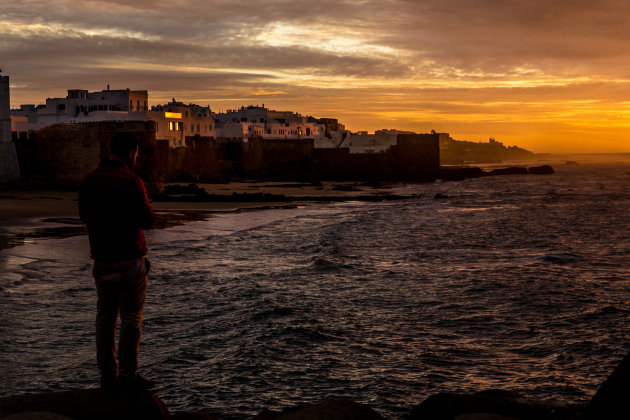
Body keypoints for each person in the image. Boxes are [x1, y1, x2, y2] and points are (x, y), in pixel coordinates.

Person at [78, 132, 156, 391]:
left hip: (101, 258)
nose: (137, 157)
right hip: (129, 258)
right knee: (132, 318)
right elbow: (148, 220)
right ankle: (128, 375)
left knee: (105, 317)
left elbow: (84, 215)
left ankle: (107, 375)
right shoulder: (132, 181)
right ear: (131, 152)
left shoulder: (89, 180)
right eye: (136, 153)